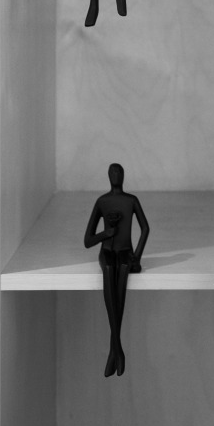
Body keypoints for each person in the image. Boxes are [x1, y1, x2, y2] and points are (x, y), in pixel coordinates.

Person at [83, 162, 150, 377]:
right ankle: (117, 349)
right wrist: (106, 234)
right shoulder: (102, 202)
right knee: (109, 269)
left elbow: (145, 228)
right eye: (113, 173)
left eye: (118, 172)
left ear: (123, 176)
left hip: (125, 251)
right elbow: (88, 240)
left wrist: (136, 256)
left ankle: (115, 350)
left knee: (122, 268)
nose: (115, 175)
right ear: (109, 176)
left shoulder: (131, 200)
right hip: (107, 250)